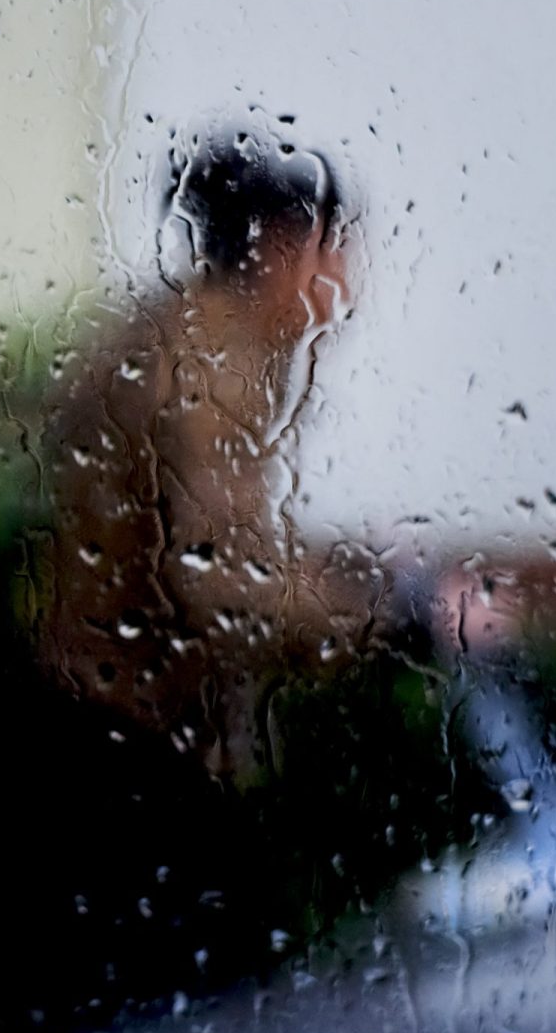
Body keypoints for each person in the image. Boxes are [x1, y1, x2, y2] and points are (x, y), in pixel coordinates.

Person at [41, 128, 353, 788]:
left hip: (83, 701)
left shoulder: (164, 325)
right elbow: (215, 573)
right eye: (335, 251)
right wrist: (363, 616)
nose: (348, 282)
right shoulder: (216, 363)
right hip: (136, 735)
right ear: (281, 249)